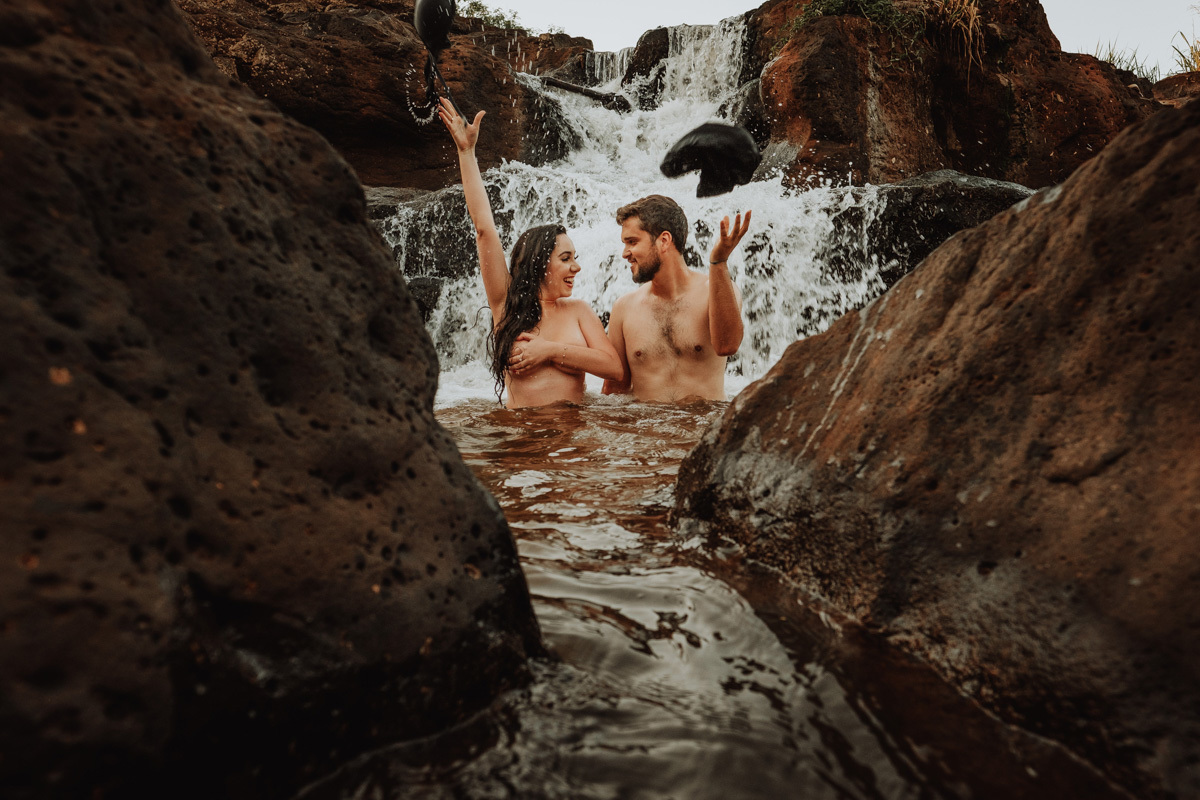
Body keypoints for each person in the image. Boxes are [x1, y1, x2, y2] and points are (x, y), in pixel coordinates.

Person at [438, 98, 623, 408]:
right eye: (566, 258)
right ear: (539, 263)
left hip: (572, 444)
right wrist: (466, 152)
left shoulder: (579, 311)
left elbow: (613, 367)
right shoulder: (505, 304)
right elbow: (484, 226)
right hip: (522, 442)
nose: (576, 267)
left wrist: (549, 350)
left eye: (574, 257)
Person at [603, 195, 751, 402]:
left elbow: (727, 346)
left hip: (704, 429)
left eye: (632, 242)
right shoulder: (624, 308)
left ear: (664, 241)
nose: (625, 253)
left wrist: (718, 262)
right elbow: (613, 393)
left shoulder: (715, 291)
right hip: (645, 431)